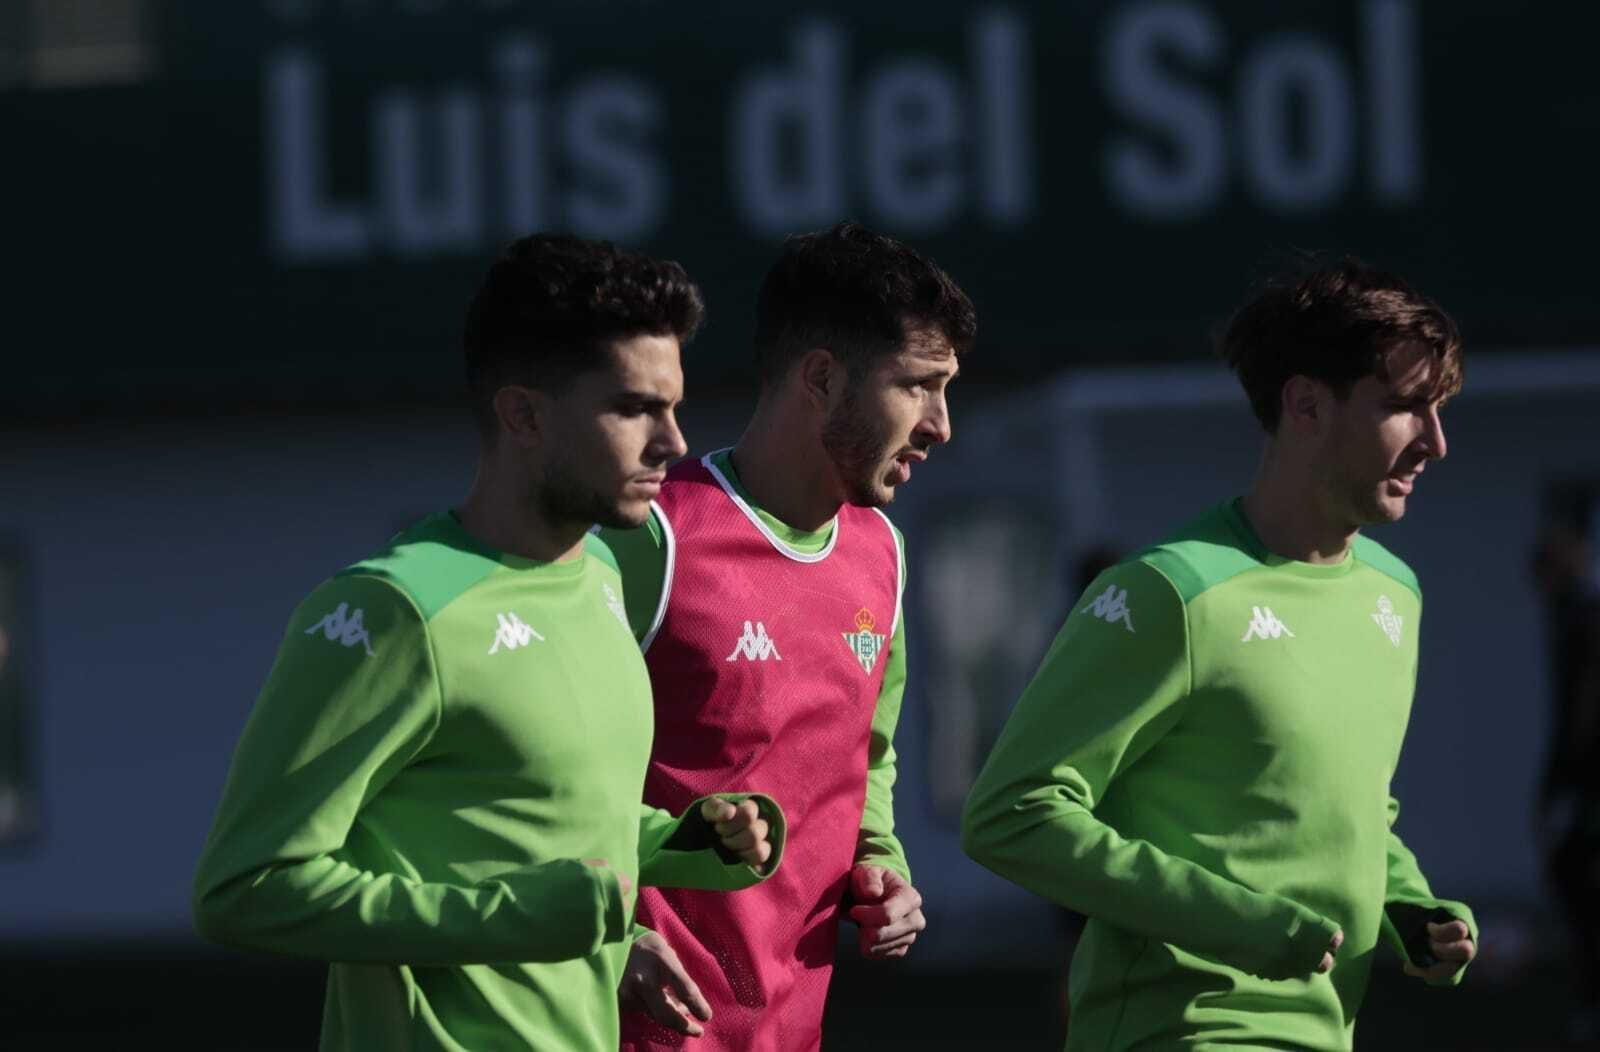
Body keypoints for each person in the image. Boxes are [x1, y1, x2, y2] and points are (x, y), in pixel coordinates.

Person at [191, 234, 784, 1052]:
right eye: (633, 409)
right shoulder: (394, 610)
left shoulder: (604, 576)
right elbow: (245, 889)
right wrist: (517, 922)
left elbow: (541, 822)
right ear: (524, 415)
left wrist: (682, 846)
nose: (673, 442)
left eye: (674, 407)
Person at [962, 258, 1478, 1050]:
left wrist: (1409, 907)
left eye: (1440, 411)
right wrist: (1234, 922)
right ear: (1305, 404)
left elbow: (1348, 809)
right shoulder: (1171, 594)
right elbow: (1010, 814)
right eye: (1406, 408)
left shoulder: (1394, 593)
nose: (1436, 444)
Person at [599, 221, 974, 1050]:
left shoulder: (884, 553)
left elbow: (864, 763)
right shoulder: (649, 537)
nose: (942, 424)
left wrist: (884, 869)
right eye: (919, 385)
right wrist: (604, 938)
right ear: (822, 377)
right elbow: (537, 778)